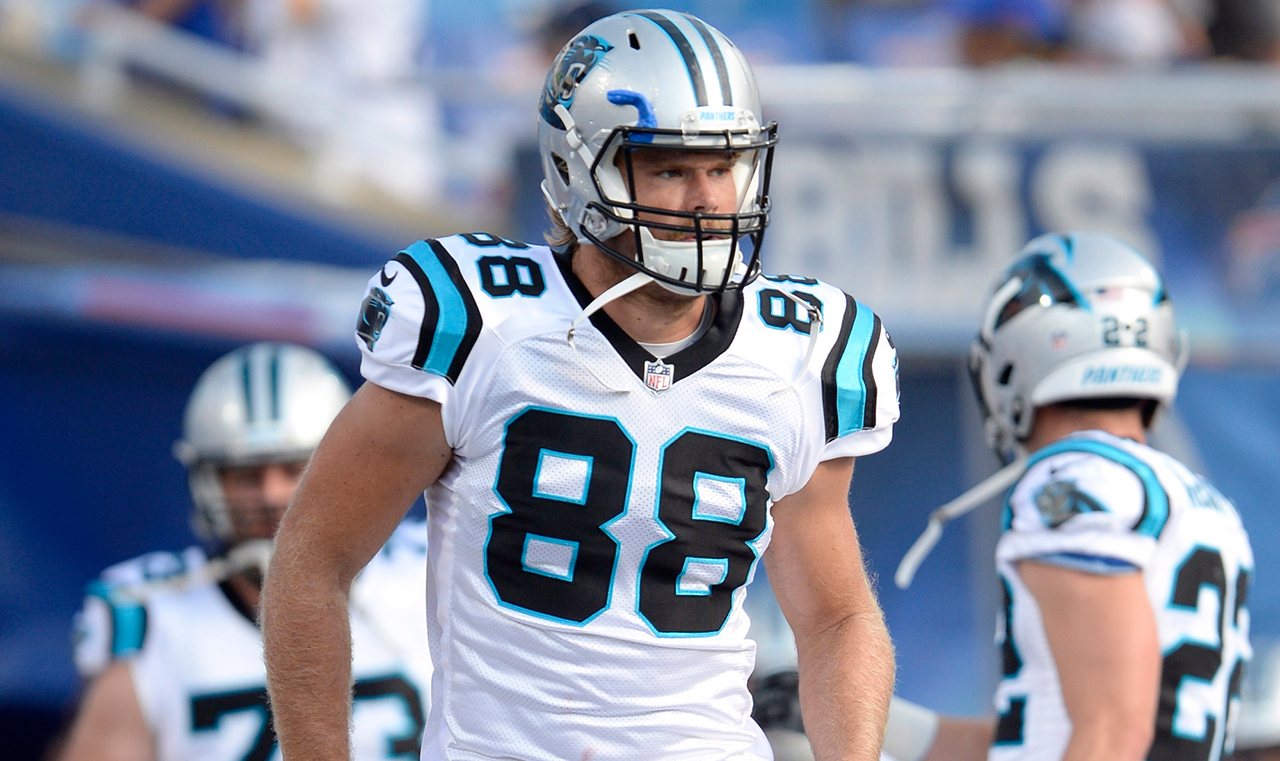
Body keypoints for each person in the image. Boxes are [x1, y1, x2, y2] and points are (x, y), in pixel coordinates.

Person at [262, 9, 900, 761]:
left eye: (723, 165)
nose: (707, 198)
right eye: (669, 166)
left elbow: (835, 617)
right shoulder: (479, 324)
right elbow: (312, 562)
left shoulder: (802, 352)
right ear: (577, 167)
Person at [883, 231, 1253, 761]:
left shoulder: (1075, 479)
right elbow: (1037, 742)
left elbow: (1113, 733)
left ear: (1017, 352)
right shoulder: (1197, 499)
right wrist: (852, 712)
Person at [58, 342, 432, 761]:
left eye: (295, 469)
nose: (271, 495)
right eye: (245, 476)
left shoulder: (427, 575)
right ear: (205, 482)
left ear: (349, 465)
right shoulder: (154, 614)